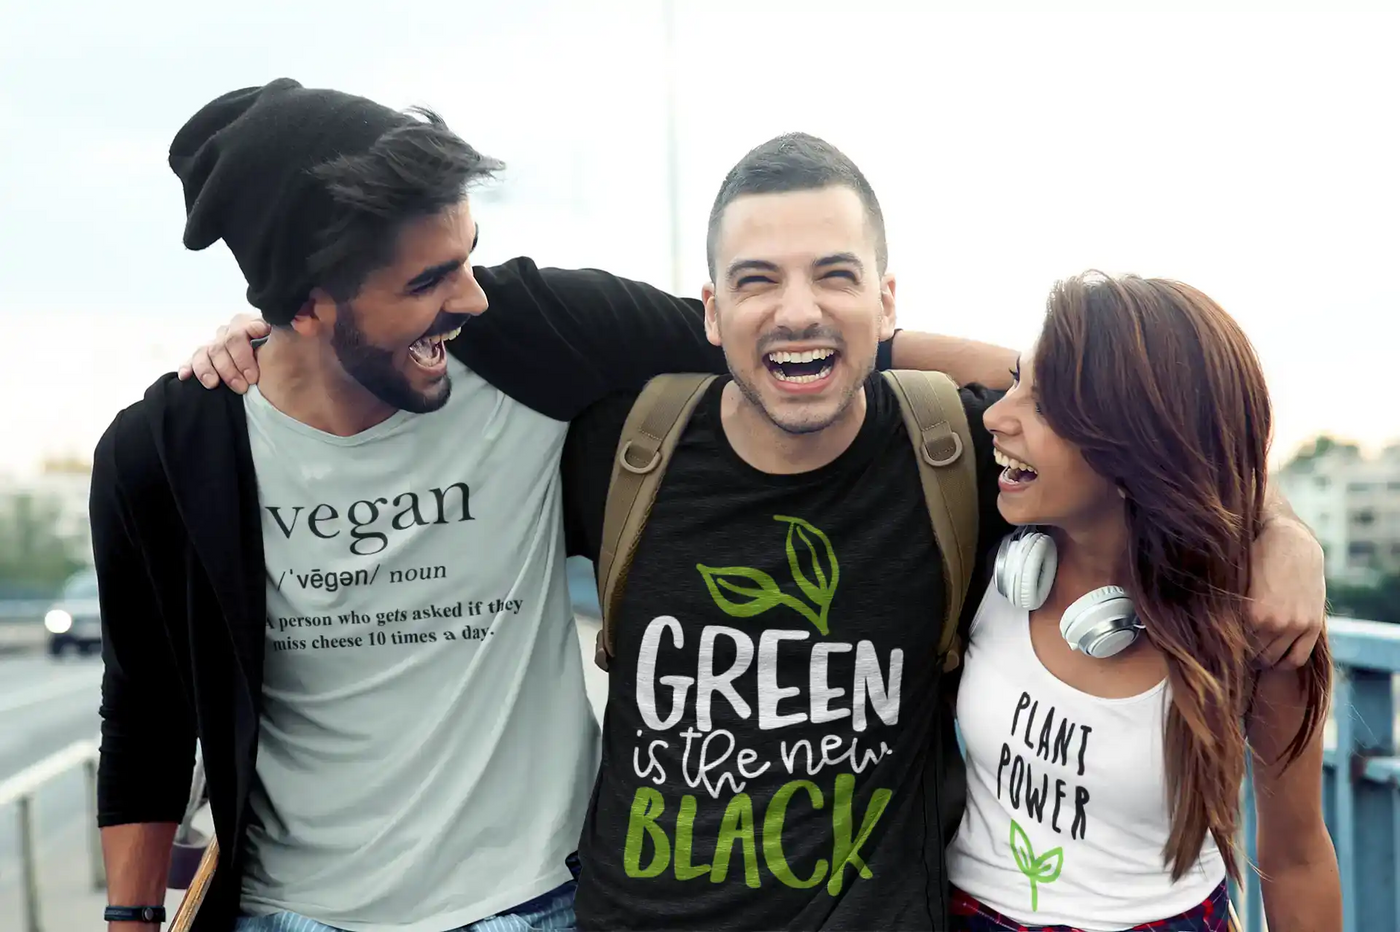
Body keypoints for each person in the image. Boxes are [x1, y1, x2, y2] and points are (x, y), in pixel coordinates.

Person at [185, 131, 1327, 930]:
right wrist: (279, 332)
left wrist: (1277, 529)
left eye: (834, 274)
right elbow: (401, 322)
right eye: (757, 279)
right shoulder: (618, 445)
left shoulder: (965, 455)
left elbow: (1148, 429)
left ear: (887, 306)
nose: (794, 308)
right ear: (709, 311)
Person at [94, 80, 1015, 932]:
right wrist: (130, 920)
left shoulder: (530, 339)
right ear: (305, 306)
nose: (472, 296)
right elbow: (146, 710)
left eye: (467, 258)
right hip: (290, 912)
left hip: (539, 902)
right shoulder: (168, 457)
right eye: (427, 283)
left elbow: (772, 335)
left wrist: (1035, 379)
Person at [945, 274, 1340, 931]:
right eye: (1015, 382)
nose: (995, 414)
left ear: (1130, 445)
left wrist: (1286, 535)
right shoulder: (995, 549)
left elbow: (1297, 858)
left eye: (1040, 405)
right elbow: (876, 346)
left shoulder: (1252, 616)